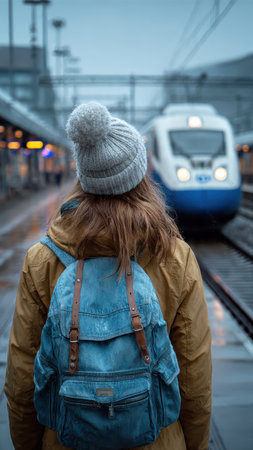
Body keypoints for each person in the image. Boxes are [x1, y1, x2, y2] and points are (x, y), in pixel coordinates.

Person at [4, 102, 212, 450]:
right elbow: (194, 376)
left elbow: (23, 377)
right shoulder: (175, 256)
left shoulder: (42, 260)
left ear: (83, 178)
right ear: (141, 175)